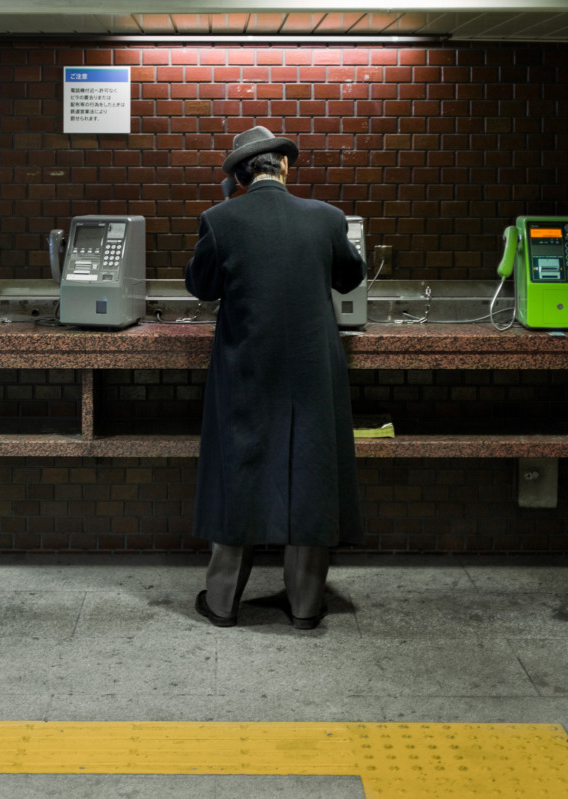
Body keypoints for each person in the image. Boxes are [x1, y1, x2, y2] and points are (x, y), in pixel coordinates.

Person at [186, 125, 366, 630]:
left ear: (240, 177)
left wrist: (222, 213)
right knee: (310, 474)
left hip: (246, 369)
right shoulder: (327, 219)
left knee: (237, 474)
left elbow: (201, 286)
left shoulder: (221, 219)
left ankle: (222, 603)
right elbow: (352, 276)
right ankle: (306, 605)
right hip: (312, 371)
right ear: (284, 167)